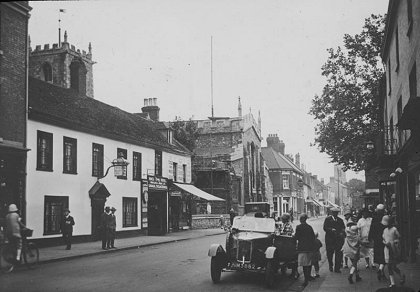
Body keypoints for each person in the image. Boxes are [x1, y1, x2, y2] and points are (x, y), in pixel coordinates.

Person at [382, 215, 405, 288]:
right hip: (387, 249)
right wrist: (385, 243)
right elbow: (383, 238)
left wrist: (393, 243)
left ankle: (397, 279)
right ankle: (396, 280)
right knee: (390, 266)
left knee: (392, 266)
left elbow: (399, 238)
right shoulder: (385, 230)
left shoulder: (394, 229)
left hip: (393, 250)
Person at [294, 213, 316, 287]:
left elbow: (296, 237)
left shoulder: (298, 227)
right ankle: (308, 276)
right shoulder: (309, 227)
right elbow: (313, 237)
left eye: (300, 218)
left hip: (302, 248)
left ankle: (306, 280)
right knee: (309, 263)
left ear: (301, 219)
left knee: (304, 265)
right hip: (309, 248)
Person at [323, 207, 345, 273]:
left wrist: (342, 232)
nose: (335, 214)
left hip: (338, 239)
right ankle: (330, 265)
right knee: (330, 253)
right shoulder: (327, 219)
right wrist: (331, 229)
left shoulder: (340, 220)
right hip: (330, 239)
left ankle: (337, 268)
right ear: (332, 213)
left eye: (336, 213)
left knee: (338, 254)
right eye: (334, 213)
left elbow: (343, 228)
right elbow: (325, 228)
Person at [369, 203, 386, 280]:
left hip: (377, 240)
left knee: (379, 256)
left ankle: (381, 271)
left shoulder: (374, 218)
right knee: (384, 256)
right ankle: (381, 270)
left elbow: (372, 228)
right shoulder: (385, 218)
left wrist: (370, 237)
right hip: (384, 239)